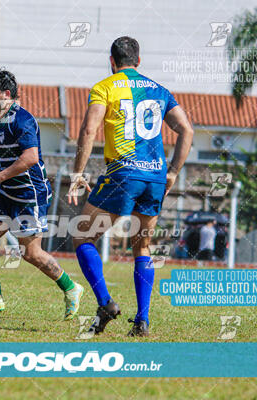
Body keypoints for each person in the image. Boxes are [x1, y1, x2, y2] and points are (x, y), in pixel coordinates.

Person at [68, 36, 193, 336]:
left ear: (112, 61)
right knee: (143, 245)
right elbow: (186, 130)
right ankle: (142, 321)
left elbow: (89, 129)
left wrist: (77, 173)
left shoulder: (105, 87)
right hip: (155, 176)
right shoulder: (159, 90)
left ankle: (105, 303)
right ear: (139, 61)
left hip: (124, 172)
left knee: (82, 237)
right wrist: (173, 172)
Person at [0, 68, 84, 320]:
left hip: (29, 195)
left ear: (6, 94)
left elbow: (30, 158)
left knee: (31, 253)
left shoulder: (23, 120)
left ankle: (71, 288)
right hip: (6, 193)